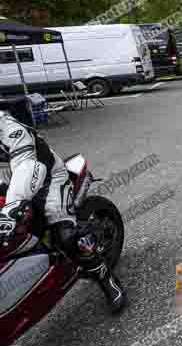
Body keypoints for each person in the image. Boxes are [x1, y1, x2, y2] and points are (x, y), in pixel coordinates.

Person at [0, 112, 127, 312]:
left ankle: (107, 279)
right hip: (9, 186)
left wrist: (11, 207)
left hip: (48, 178)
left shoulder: (7, 127)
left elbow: (29, 164)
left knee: (66, 235)